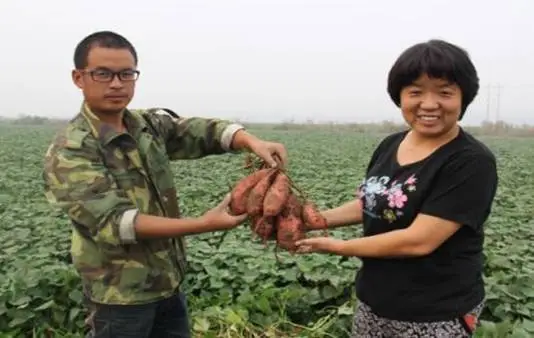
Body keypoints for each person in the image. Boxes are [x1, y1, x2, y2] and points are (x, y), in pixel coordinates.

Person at [42, 30, 288, 338]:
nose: (117, 83)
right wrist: (203, 224)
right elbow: (118, 223)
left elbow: (199, 131)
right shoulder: (72, 149)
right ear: (79, 78)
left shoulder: (146, 126)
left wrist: (250, 140)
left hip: (168, 284)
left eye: (126, 73)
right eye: (102, 74)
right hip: (120, 296)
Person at [295, 39, 498, 337]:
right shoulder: (391, 144)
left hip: (436, 310)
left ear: (463, 97)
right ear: (399, 96)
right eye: (415, 92)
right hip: (375, 299)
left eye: (445, 92)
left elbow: (419, 241)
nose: (429, 104)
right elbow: (374, 202)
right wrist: (316, 220)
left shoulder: (471, 161)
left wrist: (338, 247)